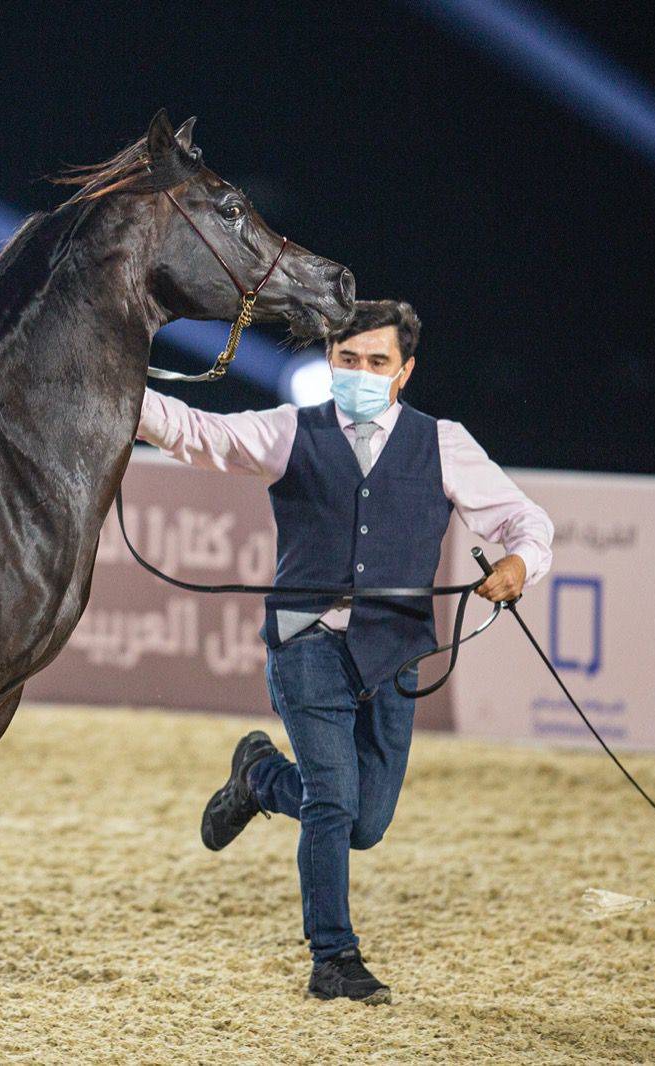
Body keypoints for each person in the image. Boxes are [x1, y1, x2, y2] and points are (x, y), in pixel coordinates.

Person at [136, 299, 553, 1003]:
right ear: (330, 360)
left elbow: (522, 518)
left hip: (392, 651)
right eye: (348, 359)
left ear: (405, 371)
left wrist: (520, 563)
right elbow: (194, 431)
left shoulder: (443, 442)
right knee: (332, 800)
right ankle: (333, 958)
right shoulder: (286, 431)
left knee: (365, 822)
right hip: (305, 642)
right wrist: (123, 384)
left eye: (377, 362)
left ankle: (260, 778)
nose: (360, 373)